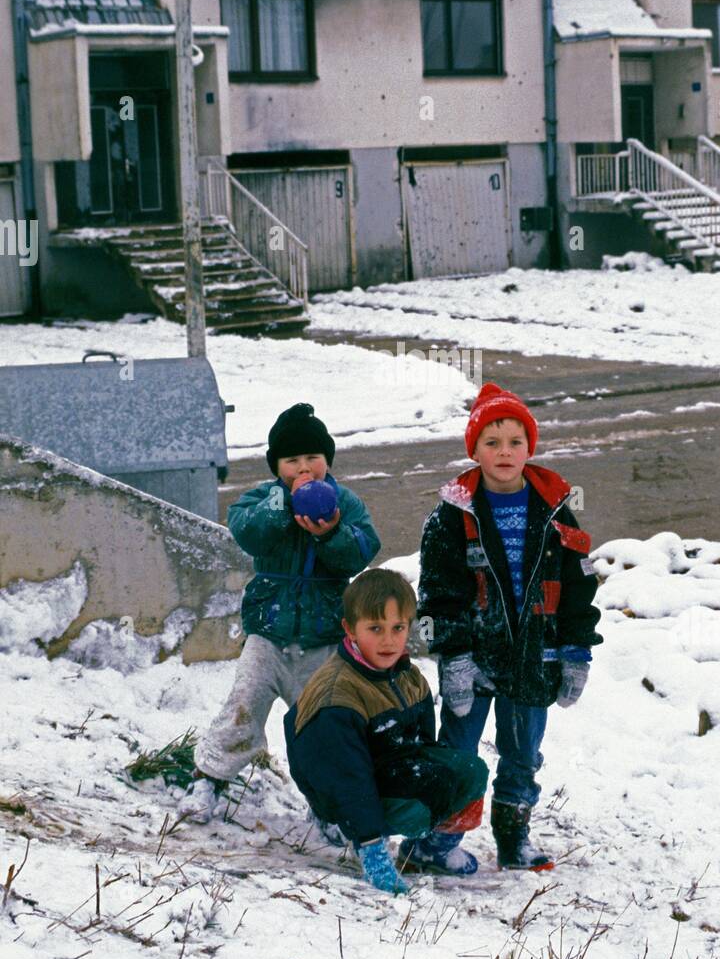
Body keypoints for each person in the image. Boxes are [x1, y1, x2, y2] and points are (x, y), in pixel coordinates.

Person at [412, 381, 603, 874]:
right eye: (491, 442)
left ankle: (513, 837)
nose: (504, 452)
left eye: (515, 441)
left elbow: (579, 585)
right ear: (473, 449)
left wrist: (576, 650)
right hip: (472, 658)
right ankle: (434, 842)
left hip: (533, 655)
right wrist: (451, 656)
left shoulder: (556, 508)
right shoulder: (451, 518)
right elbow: (437, 594)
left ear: (529, 448)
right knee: (457, 752)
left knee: (522, 755)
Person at [180, 402, 380, 821]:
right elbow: (245, 531)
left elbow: (362, 551)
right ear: (277, 467)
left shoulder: (345, 502)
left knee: (320, 725)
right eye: (292, 461)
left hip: (323, 639)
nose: (303, 469)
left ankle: (326, 807)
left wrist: (332, 535)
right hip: (267, 634)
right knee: (243, 705)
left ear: (328, 460)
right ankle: (208, 777)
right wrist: (284, 508)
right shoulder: (265, 499)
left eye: (313, 458)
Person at [284, 568, 489, 892]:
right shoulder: (337, 697)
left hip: (382, 765)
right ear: (350, 629)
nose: (388, 640)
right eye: (375, 628)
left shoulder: (408, 677)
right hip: (338, 785)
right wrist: (375, 853)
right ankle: (340, 828)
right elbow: (347, 778)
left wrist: (438, 780)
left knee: (469, 770)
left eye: (397, 628)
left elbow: (422, 744)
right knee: (419, 806)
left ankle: (431, 851)